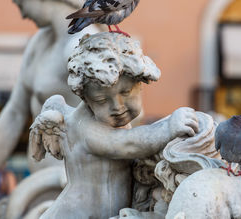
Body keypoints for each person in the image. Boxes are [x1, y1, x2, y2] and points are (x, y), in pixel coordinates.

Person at [0, 0, 101, 210]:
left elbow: (111, 120)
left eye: (20, 2)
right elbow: (13, 115)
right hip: (41, 189)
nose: (23, 14)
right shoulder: (39, 43)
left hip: (71, 191)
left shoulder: (81, 44)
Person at [30, 32, 199, 219]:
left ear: (140, 84)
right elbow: (127, 144)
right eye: (102, 100)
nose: (117, 107)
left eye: (126, 92)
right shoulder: (87, 129)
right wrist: (167, 128)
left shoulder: (111, 123)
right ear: (85, 98)